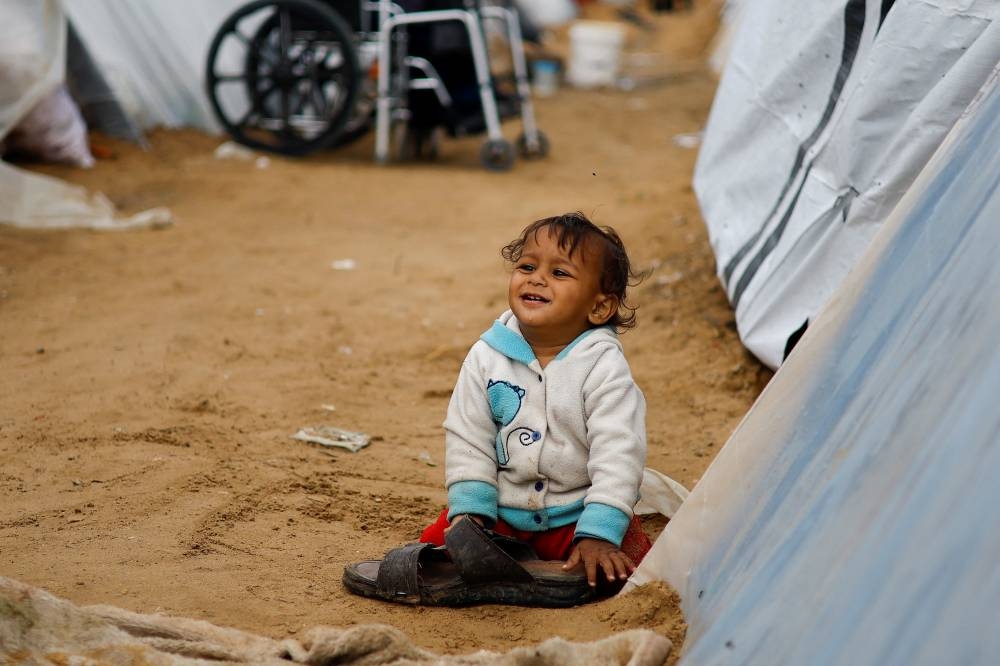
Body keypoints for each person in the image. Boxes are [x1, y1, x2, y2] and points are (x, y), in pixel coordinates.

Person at [419, 211, 651, 590]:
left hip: (576, 515)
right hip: (501, 514)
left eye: (559, 274)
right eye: (527, 266)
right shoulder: (486, 356)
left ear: (599, 307)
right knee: (437, 550)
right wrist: (471, 514)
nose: (537, 278)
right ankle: (491, 551)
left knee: (627, 569)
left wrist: (600, 530)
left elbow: (619, 450)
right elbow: (468, 434)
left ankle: (588, 548)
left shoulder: (604, 367)